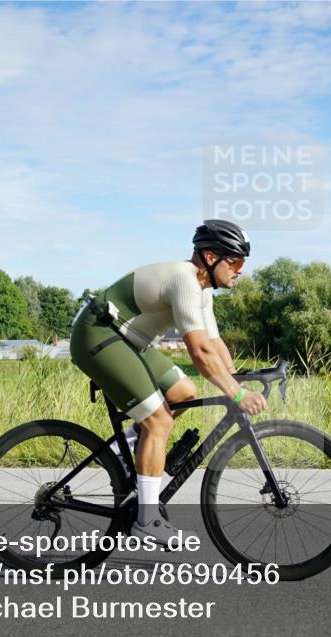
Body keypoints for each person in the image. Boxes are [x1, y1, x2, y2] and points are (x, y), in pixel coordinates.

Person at [69, 219, 268, 547]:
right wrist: (236, 394)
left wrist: (241, 379)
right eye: (235, 261)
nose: (240, 270)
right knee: (158, 420)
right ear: (209, 258)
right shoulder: (184, 281)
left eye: (242, 262)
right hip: (99, 334)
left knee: (183, 393)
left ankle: (125, 450)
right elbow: (200, 353)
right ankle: (146, 520)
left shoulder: (202, 291)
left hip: (128, 340)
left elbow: (215, 345)